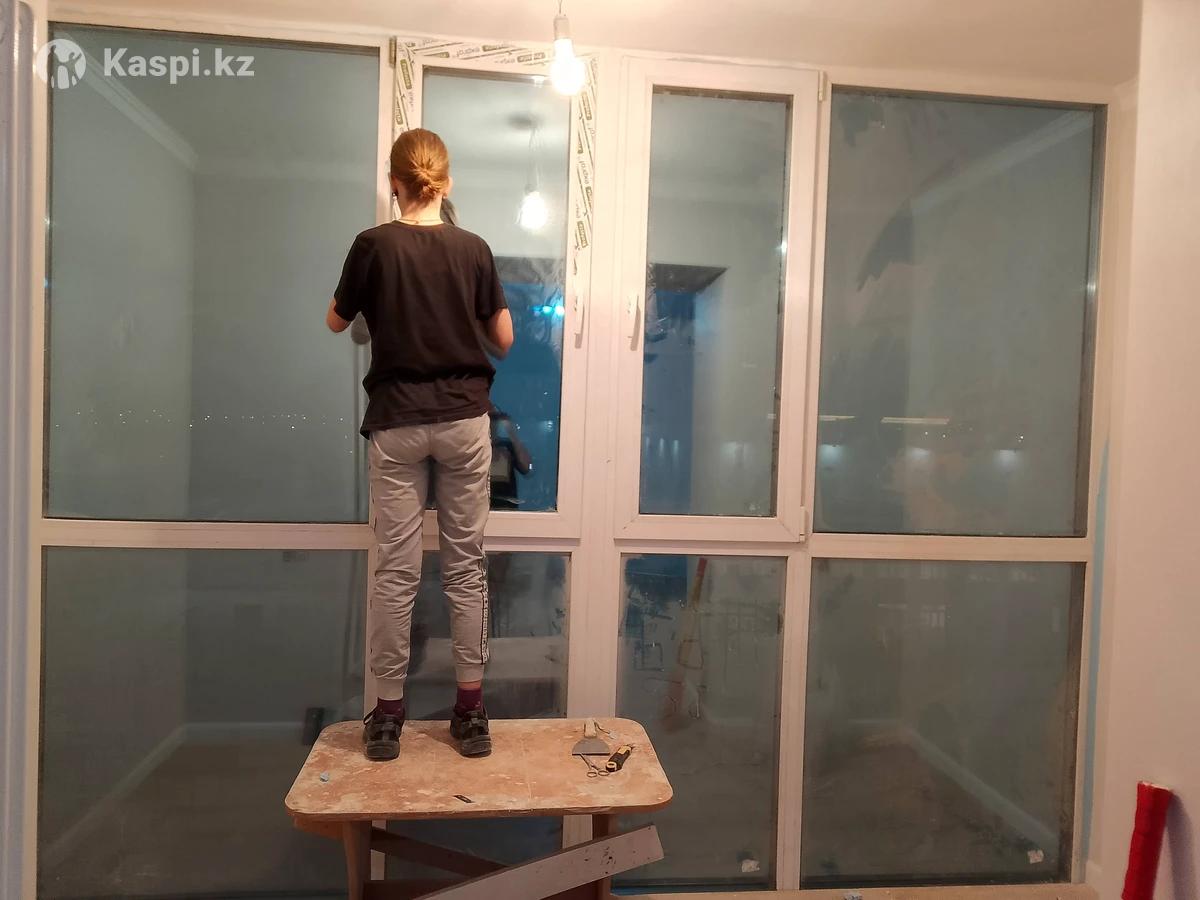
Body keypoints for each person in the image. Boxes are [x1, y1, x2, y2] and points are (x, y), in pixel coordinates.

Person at [326, 128, 514, 761]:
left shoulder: (372, 245)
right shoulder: (474, 248)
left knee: (396, 571)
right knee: (465, 568)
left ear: (394, 183)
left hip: (398, 419)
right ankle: (470, 714)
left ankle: (386, 719)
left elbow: (336, 320)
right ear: (445, 182)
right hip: (463, 420)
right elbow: (504, 339)